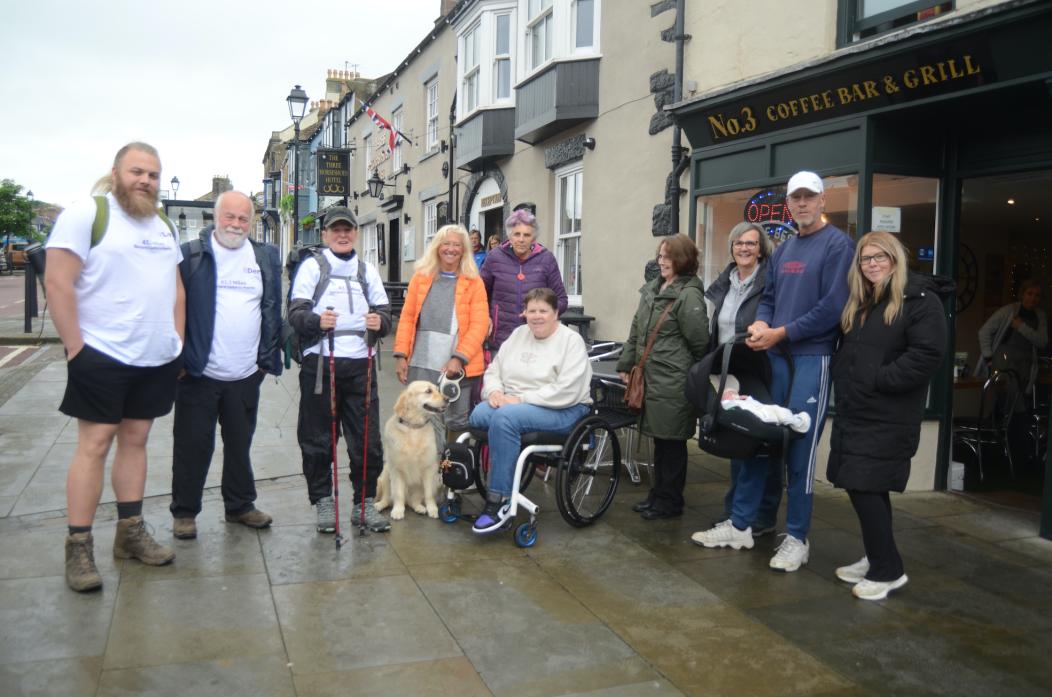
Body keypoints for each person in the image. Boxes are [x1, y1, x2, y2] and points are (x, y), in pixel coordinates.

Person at [692, 170, 853, 572]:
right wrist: (763, 324)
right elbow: (770, 299)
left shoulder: (838, 246)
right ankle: (742, 524)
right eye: (795, 197)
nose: (801, 203)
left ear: (822, 201)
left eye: (808, 196)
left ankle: (797, 537)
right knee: (756, 436)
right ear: (789, 203)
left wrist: (782, 331)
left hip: (812, 359)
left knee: (799, 451)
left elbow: (833, 309)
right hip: (775, 359)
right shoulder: (782, 251)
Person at [46, 142, 184, 592]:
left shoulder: (162, 224)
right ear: (115, 172)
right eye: (137, 171)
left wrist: (177, 341)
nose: (145, 180)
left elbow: (176, 287)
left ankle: (130, 534)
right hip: (101, 354)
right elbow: (57, 281)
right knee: (95, 443)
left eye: (153, 175)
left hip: (154, 355)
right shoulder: (88, 212)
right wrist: (75, 349)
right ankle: (79, 545)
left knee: (136, 440)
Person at [828, 231, 947, 600]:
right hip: (857, 410)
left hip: (888, 414)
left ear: (895, 259)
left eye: (880, 256)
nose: (873, 263)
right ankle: (877, 555)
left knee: (866, 486)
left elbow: (928, 354)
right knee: (863, 486)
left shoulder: (920, 300)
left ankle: (888, 570)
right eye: (866, 258)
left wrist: (881, 379)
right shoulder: (864, 301)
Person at [169, 191, 283, 540]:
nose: (236, 224)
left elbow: (271, 306)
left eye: (243, 219)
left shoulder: (264, 256)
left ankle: (240, 506)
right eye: (229, 217)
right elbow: (172, 306)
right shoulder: (191, 255)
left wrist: (266, 360)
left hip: (246, 373)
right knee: (192, 445)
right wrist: (179, 359)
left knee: (239, 443)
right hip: (198, 373)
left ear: (251, 221)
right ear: (215, 219)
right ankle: (185, 513)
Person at [288, 206, 393, 533]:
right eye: (336, 229)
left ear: (355, 233)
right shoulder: (311, 268)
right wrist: (317, 321)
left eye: (348, 229)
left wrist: (380, 322)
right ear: (325, 234)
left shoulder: (367, 270)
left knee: (367, 440)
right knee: (318, 438)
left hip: (361, 365)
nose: (343, 234)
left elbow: (384, 314)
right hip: (322, 364)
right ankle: (323, 501)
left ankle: (363, 504)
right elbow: (295, 313)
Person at [468, 287, 592, 533]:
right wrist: (493, 392)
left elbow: (567, 390)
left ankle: (499, 500)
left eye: (543, 311)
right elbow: (495, 369)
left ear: (556, 312)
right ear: (524, 313)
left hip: (564, 409)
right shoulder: (518, 334)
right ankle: (506, 474)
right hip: (515, 404)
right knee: (479, 414)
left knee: (504, 419)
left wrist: (519, 399)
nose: (537, 316)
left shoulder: (571, 341)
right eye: (531, 311)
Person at [617, 234, 709, 520]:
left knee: (673, 443)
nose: (662, 262)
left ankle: (670, 502)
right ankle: (657, 495)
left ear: (684, 260)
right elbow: (636, 331)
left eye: (668, 257)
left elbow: (700, 343)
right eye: (660, 256)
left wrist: (681, 371)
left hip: (674, 381)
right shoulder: (653, 289)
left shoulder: (689, 295)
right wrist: (626, 363)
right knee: (661, 440)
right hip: (652, 379)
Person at [705, 221, 781, 536]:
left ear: (761, 248)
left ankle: (758, 516)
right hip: (728, 371)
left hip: (758, 370)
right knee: (737, 440)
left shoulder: (768, 282)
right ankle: (736, 512)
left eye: (750, 243)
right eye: (738, 243)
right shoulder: (727, 280)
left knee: (759, 442)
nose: (744, 248)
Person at [393, 224, 489, 449]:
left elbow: (479, 324)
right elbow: (407, 318)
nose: (451, 249)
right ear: (437, 247)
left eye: (457, 245)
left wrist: (459, 358)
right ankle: (425, 474)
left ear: (464, 250)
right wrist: (400, 355)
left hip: (457, 368)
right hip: (421, 363)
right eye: (446, 243)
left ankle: (452, 474)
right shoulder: (421, 277)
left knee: (455, 423)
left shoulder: (474, 282)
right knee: (419, 420)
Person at [480, 209, 567, 350]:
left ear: (533, 238)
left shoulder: (546, 259)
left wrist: (540, 313)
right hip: (501, 340)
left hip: (537, 340)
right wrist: (486, 317)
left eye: (526, 235)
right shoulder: (494, 257)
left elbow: (561, 300)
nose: (521, 239)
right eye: (517, 234)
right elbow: (479, 294)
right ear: (510, 236)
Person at [976, 279, 1047, 399]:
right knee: (1007, 399)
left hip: (1026, 365)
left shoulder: (1040, 315)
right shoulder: (1008, 311)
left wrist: (1021, 327)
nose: (1033, 298)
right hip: (1005, 362)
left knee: (1020, 399)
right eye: (1029, 293)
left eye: (1037, 295)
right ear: (1022, 294)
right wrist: (988, 357)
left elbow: (1042, 341)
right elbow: (984, 332)